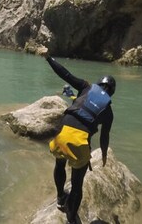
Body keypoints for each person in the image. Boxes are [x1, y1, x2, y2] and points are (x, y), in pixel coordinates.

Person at [44, 55, 116, 224]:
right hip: (79, 142)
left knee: (60, 164)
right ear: (111, 92)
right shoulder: (108, 112)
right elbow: (104, 137)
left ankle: (60, 197)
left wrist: (49, 59)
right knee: (77, 184)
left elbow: (65, 75)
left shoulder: (86, 87)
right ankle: (71, 217)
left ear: (98, 84)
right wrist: (104, 154)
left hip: (62, 133)